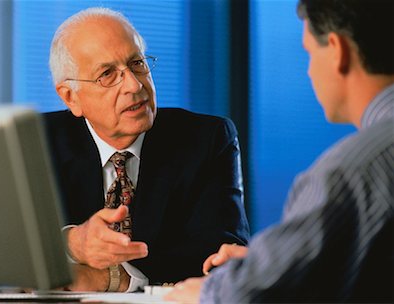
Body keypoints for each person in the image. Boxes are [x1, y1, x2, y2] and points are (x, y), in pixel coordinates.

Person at [165, 0, 394, 302]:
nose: (310, 72)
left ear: (338, 51)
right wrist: (276, 265)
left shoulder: (351, 173)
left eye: (309, 53)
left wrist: (211, 292)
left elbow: (245, 295)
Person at [43, 7, 250, 292]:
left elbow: (222, 256)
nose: (134, 84)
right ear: (71, 98)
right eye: (107, 74)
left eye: (137, 63)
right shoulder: (37, 142)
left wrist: (116, 279)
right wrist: (70, 244)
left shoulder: (207, 139)